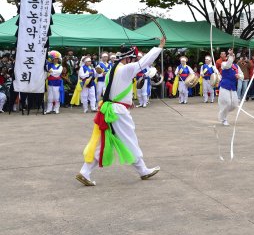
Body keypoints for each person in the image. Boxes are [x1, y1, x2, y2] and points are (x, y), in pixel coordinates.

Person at [76, 38, 165, 186]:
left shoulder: (113, 69)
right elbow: (145, 62)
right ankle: (143, 170)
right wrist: (160, 47)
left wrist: (127, 103)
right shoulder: (125, 69)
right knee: (129, 139)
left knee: (103, 141)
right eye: (132, 58)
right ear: (128, 58)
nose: (133, 61)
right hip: (117, 111)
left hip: (110, 108)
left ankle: (85, 171)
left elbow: (114, 90)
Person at [218, 50, 243, 126]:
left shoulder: (236, 66)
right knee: (227, 102)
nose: (232, 57)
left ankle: (223, 112)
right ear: (228, 57)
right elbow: (228, 65)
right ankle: (223, 119)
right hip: (225, 85)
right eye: (231, 56)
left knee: (235, 104)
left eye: (233, 56)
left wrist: (239, 76)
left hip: (233, 86)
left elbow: (242, 74)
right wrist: (231, 55)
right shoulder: (224, 63)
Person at [45, 50, 64, 114]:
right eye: (54, 59)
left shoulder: (60, 66)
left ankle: (56, 109)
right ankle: (49, 109)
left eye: (57, 59)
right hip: (50, 82)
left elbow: (58, 73)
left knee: (56, 96)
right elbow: (47, 72)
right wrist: (52, 72)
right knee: (50, 97)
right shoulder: (49, 65)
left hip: (57, 83)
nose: (55, 60)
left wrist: (52, 71)